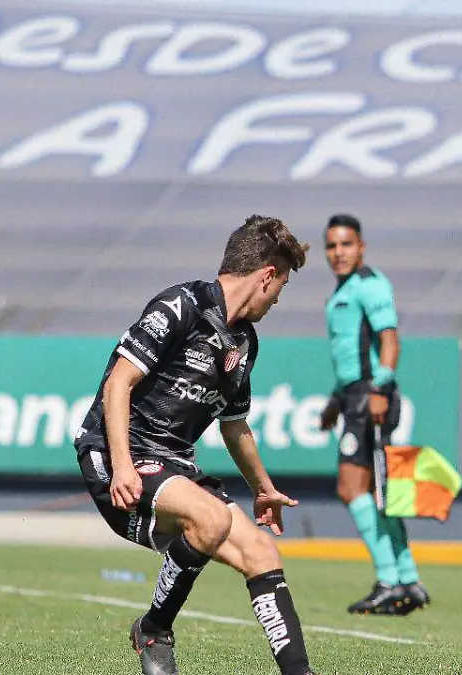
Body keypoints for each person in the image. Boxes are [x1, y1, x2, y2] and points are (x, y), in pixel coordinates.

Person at [73, 215, 321, 675]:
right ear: (266, 276)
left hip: (174, 467)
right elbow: (118, 384)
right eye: (282, 286)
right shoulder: (178, 306)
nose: (278, 299)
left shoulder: (244, 342)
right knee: (207, 518)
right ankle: (154, 630)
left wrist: (263, 488)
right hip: (116, 454)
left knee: (262, 553)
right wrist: (123, 467)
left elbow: (234, 426)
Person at [317, 213, 429, 616]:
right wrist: (335, 401)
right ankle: (407, 580)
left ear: (361, 246)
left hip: (371, 397)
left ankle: (390, 579)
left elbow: (390, 341)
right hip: (354, 398)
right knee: (379, 495)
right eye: (331, 246)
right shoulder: (341, 292)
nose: (338, 253)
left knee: (353, 489)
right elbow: (350, 356)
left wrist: (379, 388)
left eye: (346, 244)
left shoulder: (371, 285)